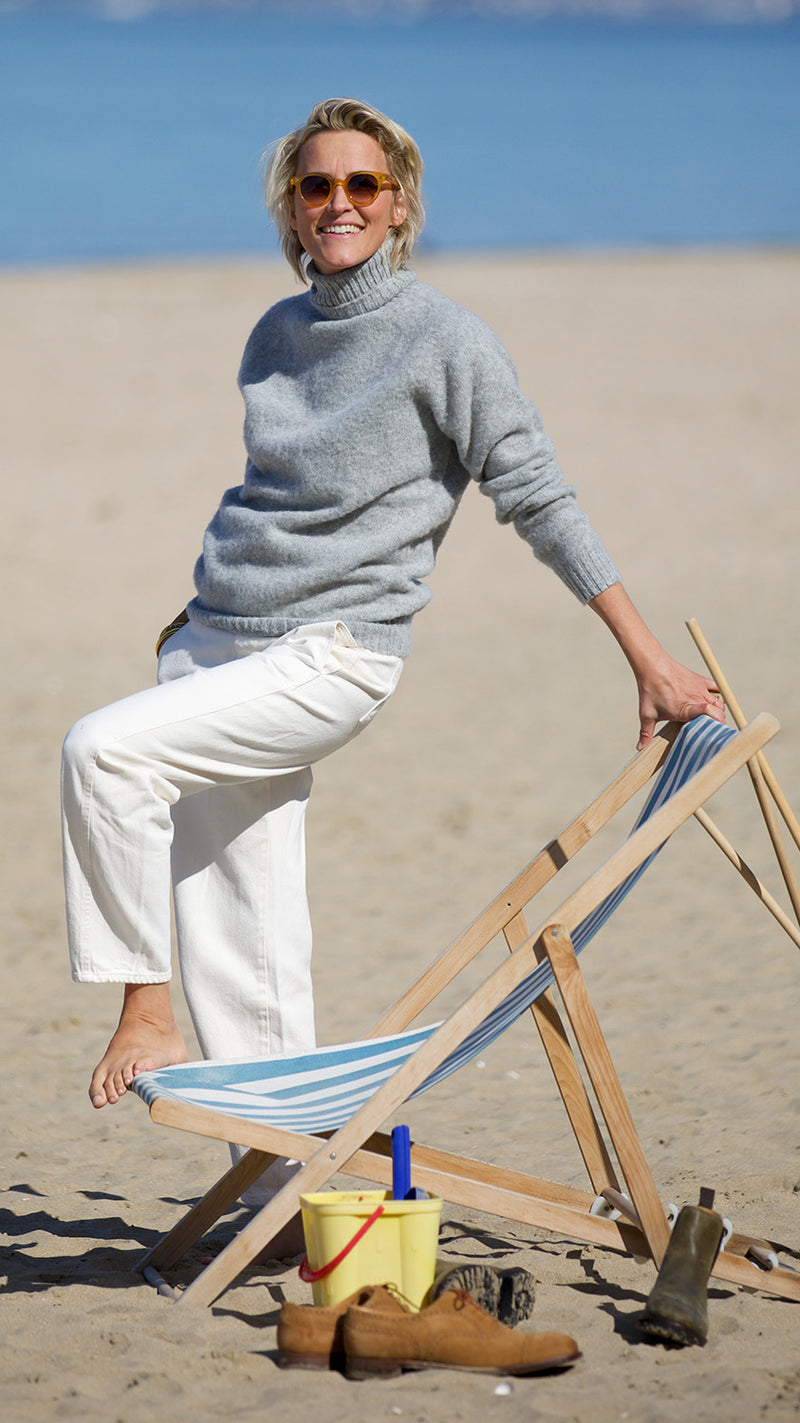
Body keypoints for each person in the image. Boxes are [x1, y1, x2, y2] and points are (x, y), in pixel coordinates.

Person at [61, 97, 723, 1218]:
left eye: (362, 186)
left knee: (100, 753)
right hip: (216, 648)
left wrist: (647, 661)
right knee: (247, 927)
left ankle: (143, 1005)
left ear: (399, 205)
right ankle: (284, 1188)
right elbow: (272, 507)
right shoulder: (273, 336)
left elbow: (537, 497)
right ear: (291, 205)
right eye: (317, 186)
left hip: (331, 656)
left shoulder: (444, 339)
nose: (338, 204)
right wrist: (194, 625)